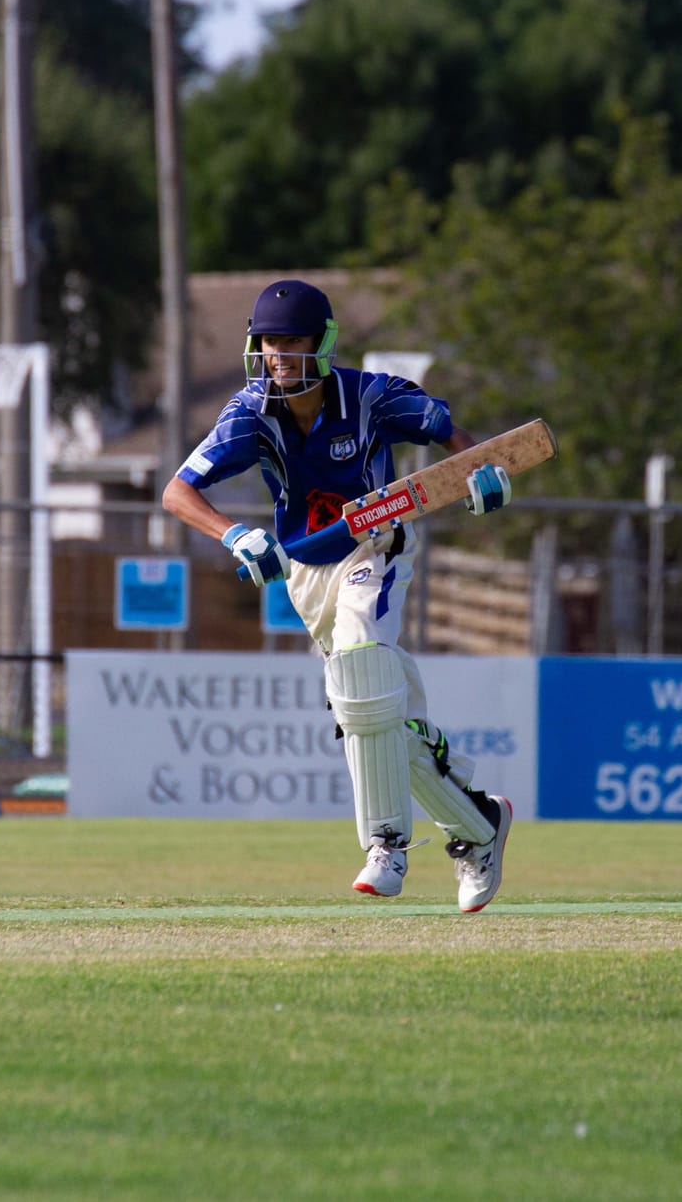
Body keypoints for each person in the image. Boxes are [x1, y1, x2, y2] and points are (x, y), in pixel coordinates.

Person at [160, 278, 518, 911]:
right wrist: (235, 534)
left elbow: (450, 434)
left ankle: (387, 846)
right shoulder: (250, 412)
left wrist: (480, 472)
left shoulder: (370, 396)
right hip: (305, 569)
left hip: (376, 548)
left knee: (360, 670)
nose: (278, 356)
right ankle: (479, 824)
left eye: (292, 341)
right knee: (374, 716)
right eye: (268, 343)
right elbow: (177, 491)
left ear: (321, 343)